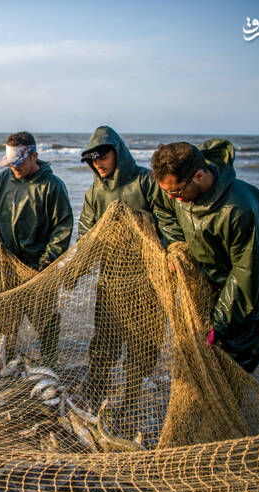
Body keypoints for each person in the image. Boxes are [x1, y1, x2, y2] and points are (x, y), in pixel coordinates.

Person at [151, 140, 259, 373]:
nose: (171, 198)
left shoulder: (242, 208)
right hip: (202, 293)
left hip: (244, 307)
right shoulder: (173, 188)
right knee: (197, 375)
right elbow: (163, 209)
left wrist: (218, 325)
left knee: (230, 377)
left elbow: (246, 274)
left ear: (199, 175)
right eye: (166, 191)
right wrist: (180, 246)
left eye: (175, 192)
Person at [77, 125, 164, 414]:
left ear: (118, 153)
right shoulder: (94, 192)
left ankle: (130, 401)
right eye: (93, 158)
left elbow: (170, 224)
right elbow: (85, 235)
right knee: (103, 344)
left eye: (104, 155)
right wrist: (73, 270)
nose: (98, 163)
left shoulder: (146, 182)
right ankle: (96, 395)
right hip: (111, 280)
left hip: (148, 282)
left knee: (143, 346)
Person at [0, 131, 73, 366]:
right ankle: (10, 364)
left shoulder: (52, 186)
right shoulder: (1, 181)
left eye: (19, 162)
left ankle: (49, 364)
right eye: (10, 162)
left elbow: (62, 229)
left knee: (45, 321)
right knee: (6, 320)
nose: (14, 167)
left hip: (40, 267)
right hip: (8, 265)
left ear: (34, 156)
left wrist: (46, 263)